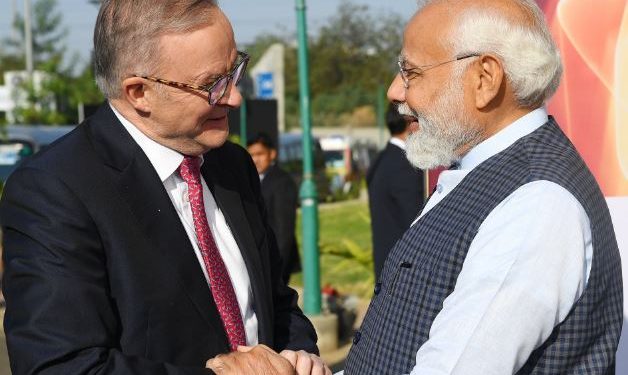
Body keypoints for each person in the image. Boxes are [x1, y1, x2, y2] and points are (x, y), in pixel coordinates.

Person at [0, 1, 330, 374]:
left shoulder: (233, 165)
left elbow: (275, 302)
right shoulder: (55, 190)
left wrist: (300, 354)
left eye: (236, 70)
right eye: (212, 85)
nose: (235, 97)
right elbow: (60, 365)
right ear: (138, 92)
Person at [344, 0, 623, 374]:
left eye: (411, 72)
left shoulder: (536, 204)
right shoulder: (494, 174)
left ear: (484, 78)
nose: (396, 91)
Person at [366, 104, 424, 281]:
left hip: (386, 261)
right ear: (410, 123)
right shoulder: (404, 165)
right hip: (403, 269)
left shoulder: (381, 159)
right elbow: (415, 219)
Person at [247, 133, 301, 284]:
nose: (255, 159)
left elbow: (284, 230)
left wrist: (277, 268)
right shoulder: (252, 179)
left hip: (276, 263)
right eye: (251, 155)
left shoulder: (282, 181)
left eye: (260, 154)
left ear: (272, 154)